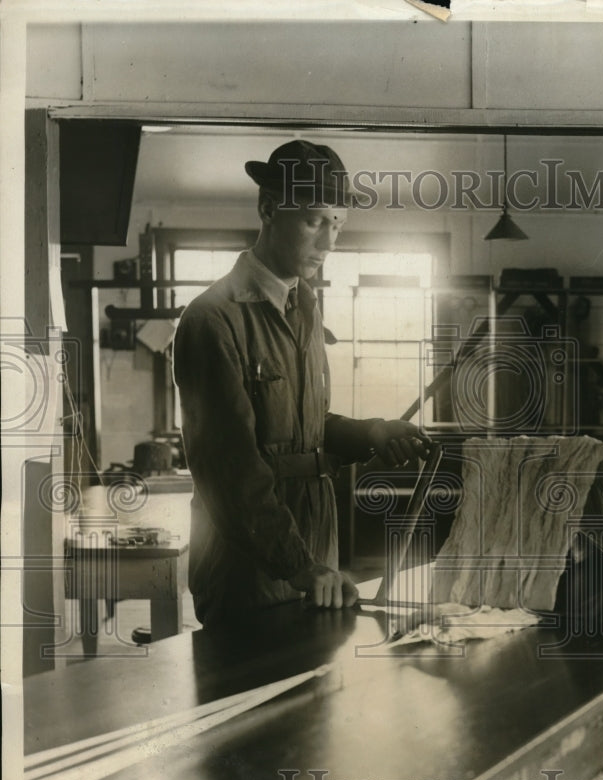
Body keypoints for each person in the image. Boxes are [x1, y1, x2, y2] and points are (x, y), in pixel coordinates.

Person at [173, 140, 430, 628]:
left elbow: (306, 430)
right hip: (247, 571)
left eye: (338, 223)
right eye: (314, 220)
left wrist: (371, 432)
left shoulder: (305, 307)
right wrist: (299, 566)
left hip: (314, 563)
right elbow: (231, 469)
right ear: (268, 209)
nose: (330, 243)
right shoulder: (213, 319)